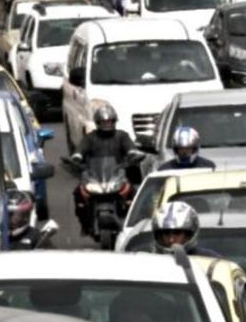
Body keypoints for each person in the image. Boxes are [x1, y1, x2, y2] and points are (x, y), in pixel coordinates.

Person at [72, 104, 136, 234]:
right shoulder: (90, 138)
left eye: (109, 121)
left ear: (114, 121)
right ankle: (85, 224)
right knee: (78, 193)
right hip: (95, 175)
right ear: (97, 123)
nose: (106, 124)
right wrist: (77, 156)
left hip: (118, 174)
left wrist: (132, 154)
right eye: (103, 122)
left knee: (134, 192)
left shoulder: (122, 136)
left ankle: (133, 223)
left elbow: (131, 148)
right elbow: (81, 149)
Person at [151, 201, 220, 258]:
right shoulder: (151, 262)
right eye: (166, 233)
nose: (171, 239)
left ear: (188, 235)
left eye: (177, 233)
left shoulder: (209, 259)